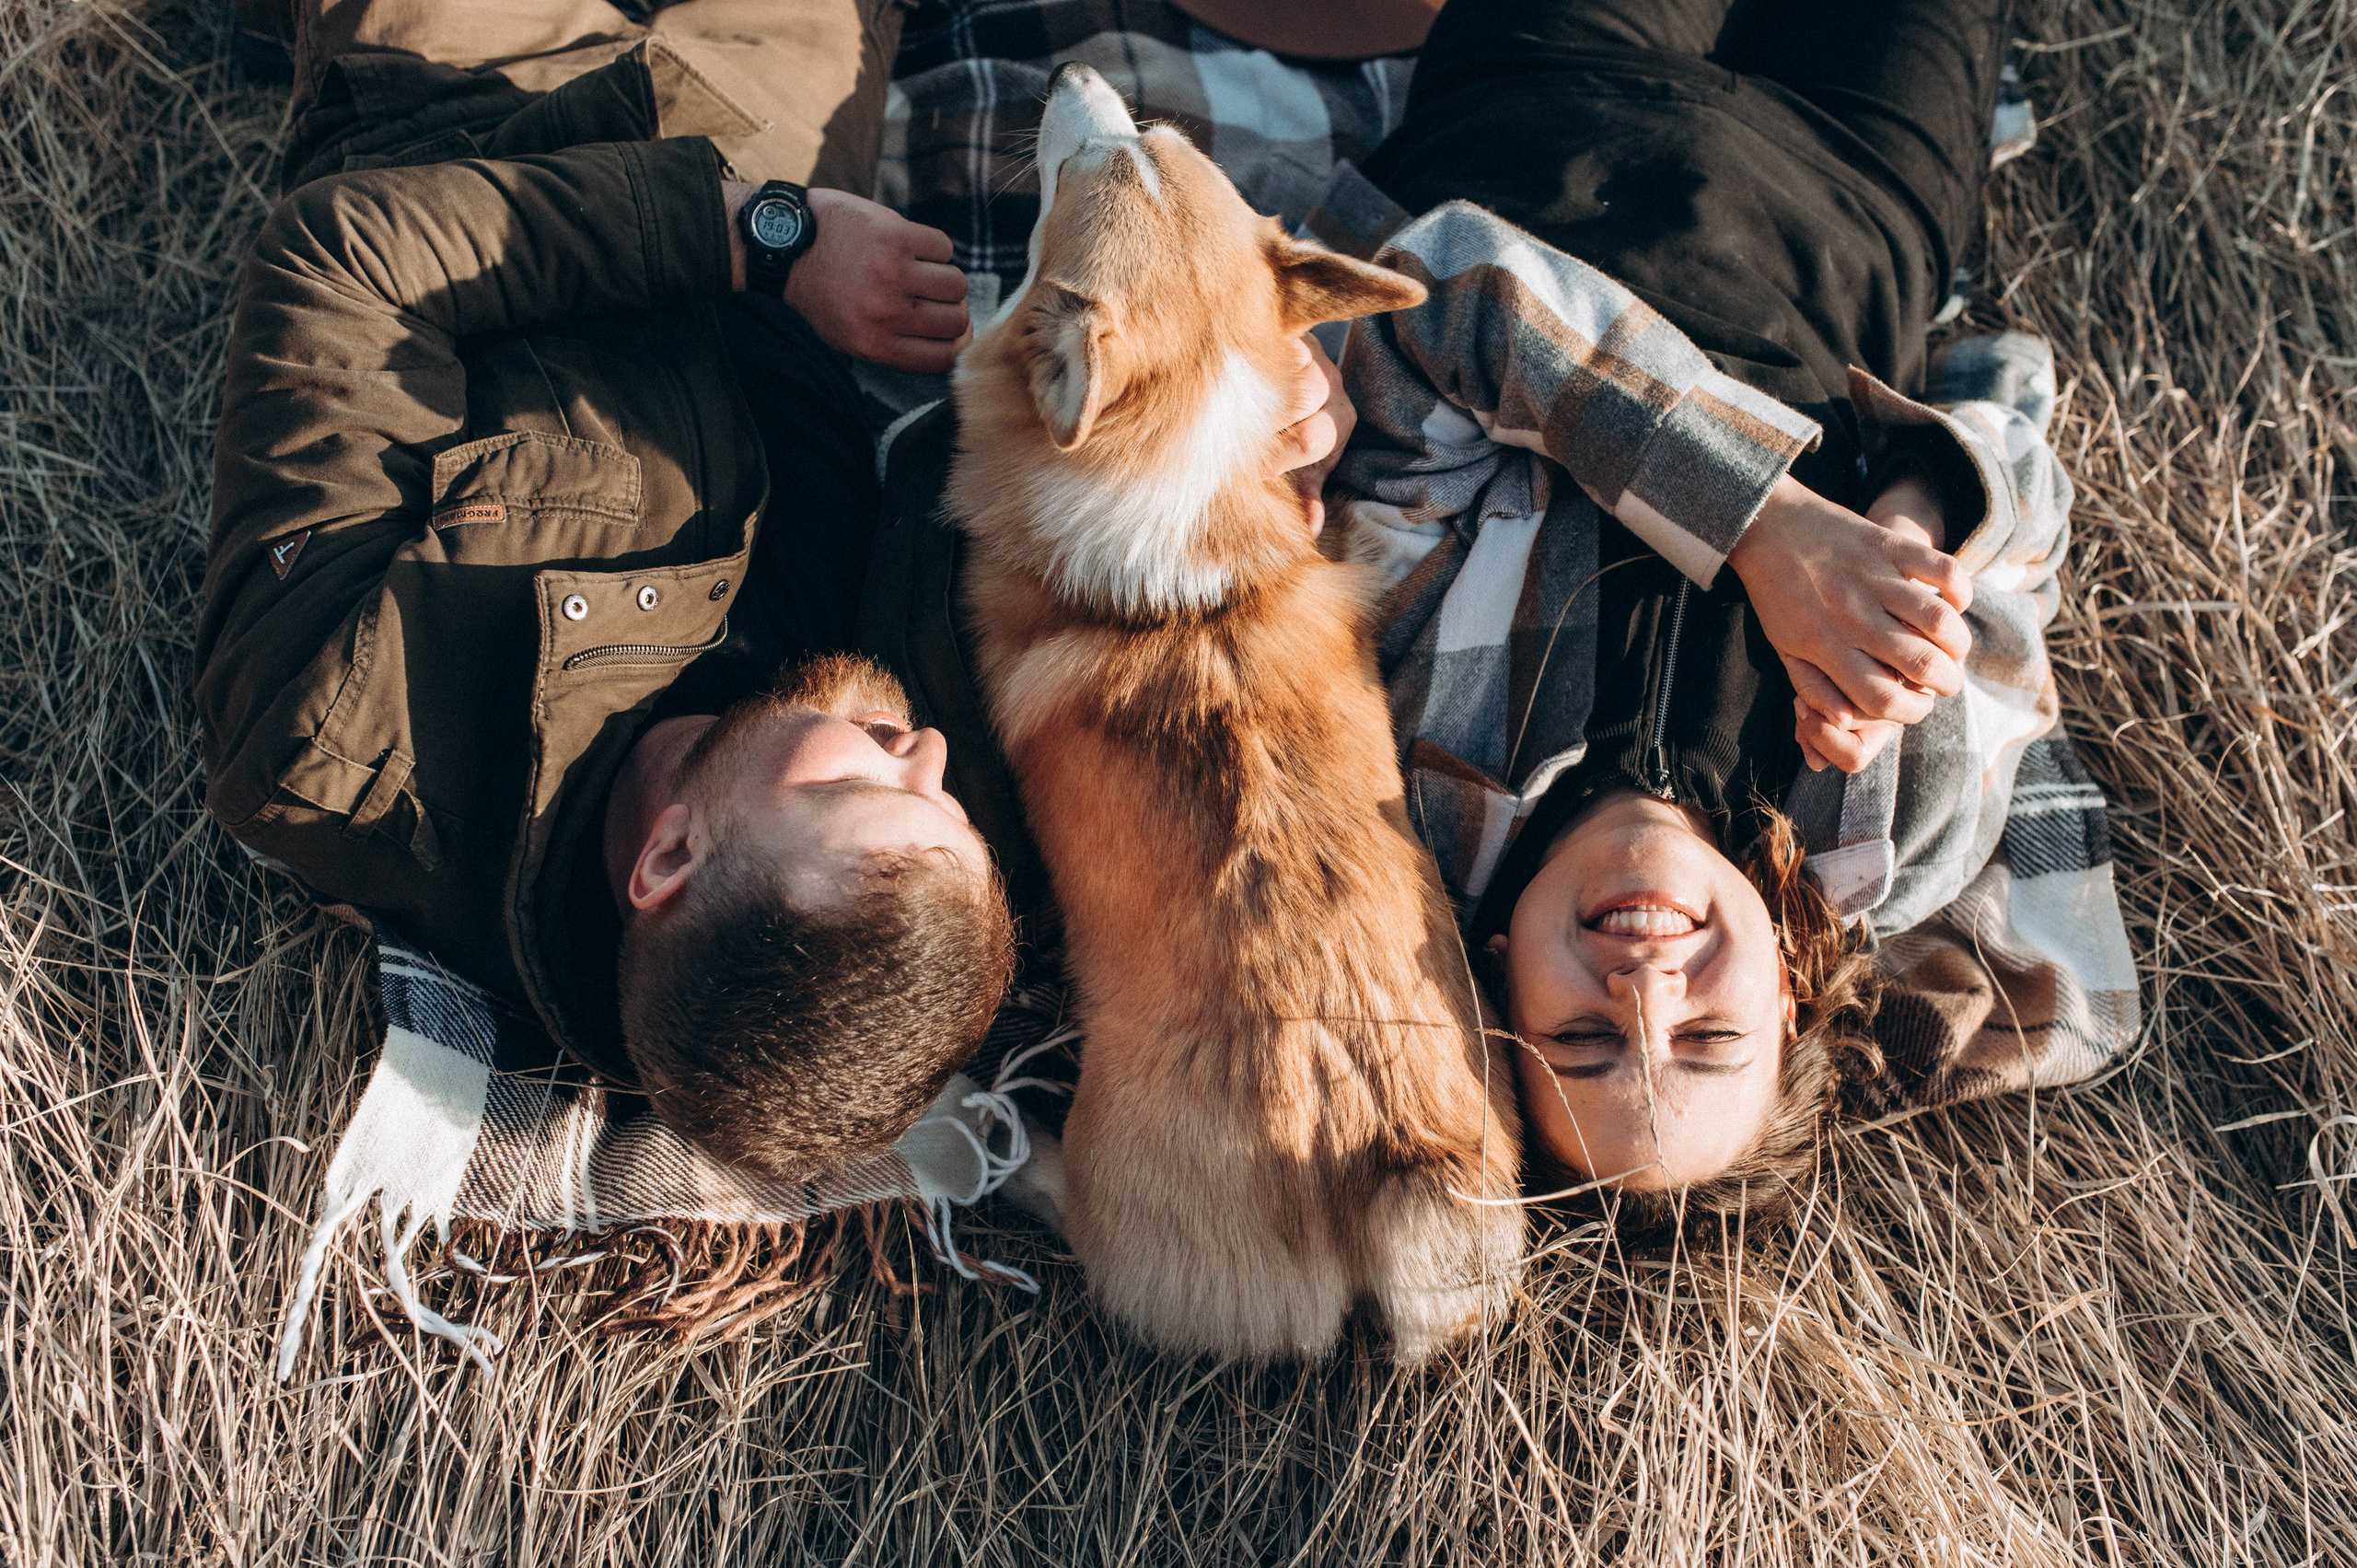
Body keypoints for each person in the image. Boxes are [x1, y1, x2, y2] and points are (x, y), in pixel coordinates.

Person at [857, 0, 2141, 1239]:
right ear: (1793, 993)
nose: (1642, 991)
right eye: (1708, 1035)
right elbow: (2017, 473)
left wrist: (1760, 522)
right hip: (1855, 203)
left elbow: (1449, 295)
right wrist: (1912, 530)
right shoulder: (1884, 816)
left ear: (1501, 990)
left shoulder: (1410, 740)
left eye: (1582, 1039)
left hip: (1548, 103)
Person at [196, 0, 1026, 1181]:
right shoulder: (858, 812)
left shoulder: (334, 728)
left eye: (866, 784)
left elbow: (342, 260)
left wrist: (765, 241)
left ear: (670, 859)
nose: (921, 743)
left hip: (480, 96)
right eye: (946, 798)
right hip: (767, 132)